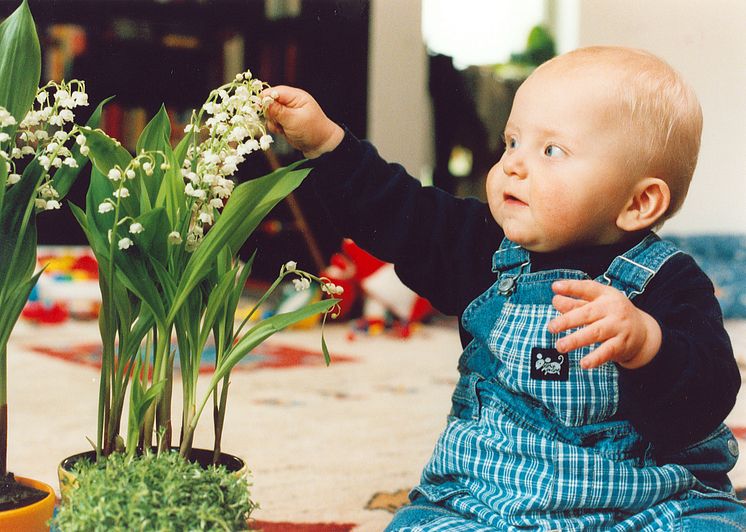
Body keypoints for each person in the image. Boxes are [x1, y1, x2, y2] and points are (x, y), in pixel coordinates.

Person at [265, 46, 746, 530]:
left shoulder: (670, 281)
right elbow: (397, 211)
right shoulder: (481, 246)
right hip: (487, 499)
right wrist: (327, 142)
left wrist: (646, 344)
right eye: (512, 141)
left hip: (645, 502)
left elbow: (709, 394)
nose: (513, 165)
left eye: (550, 151)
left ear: (639, 202)